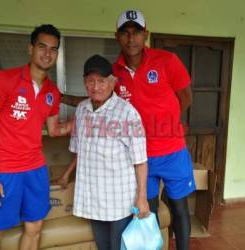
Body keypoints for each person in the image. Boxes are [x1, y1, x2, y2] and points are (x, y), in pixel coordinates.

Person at [60, 10, 196, 250]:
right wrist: (60, 98)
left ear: (146, 34)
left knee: (179, 206)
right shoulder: (113, 73)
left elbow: (185, 97)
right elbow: (96, 96)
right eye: (125, 33)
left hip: (172, 150)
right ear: (117, 37)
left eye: (136, 33)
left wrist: (165, 126)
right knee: (148, 210)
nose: (131, 38)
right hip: (139, 158)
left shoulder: (167, 61)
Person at [0, 24, 71, 250]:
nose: (48, 53)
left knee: (34, 230)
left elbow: (54, 130)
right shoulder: (4, 80)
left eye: (53, 49)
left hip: (35, 170)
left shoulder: (52, 92)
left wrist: (83, 120)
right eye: (42, 46)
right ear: (30, 48)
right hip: (4, 171)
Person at [57, 54, 150, 250]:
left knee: (119, 246)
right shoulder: (82, 110)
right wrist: (66, 175)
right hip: (93, 197)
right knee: (103, 246)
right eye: (91, 81)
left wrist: (142, 197)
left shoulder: (127, 113)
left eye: (101, 81)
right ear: (84, 83)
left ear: (113, 82)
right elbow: (79, 150)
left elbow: (140, 160)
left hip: (119, 200)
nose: (96, 86)